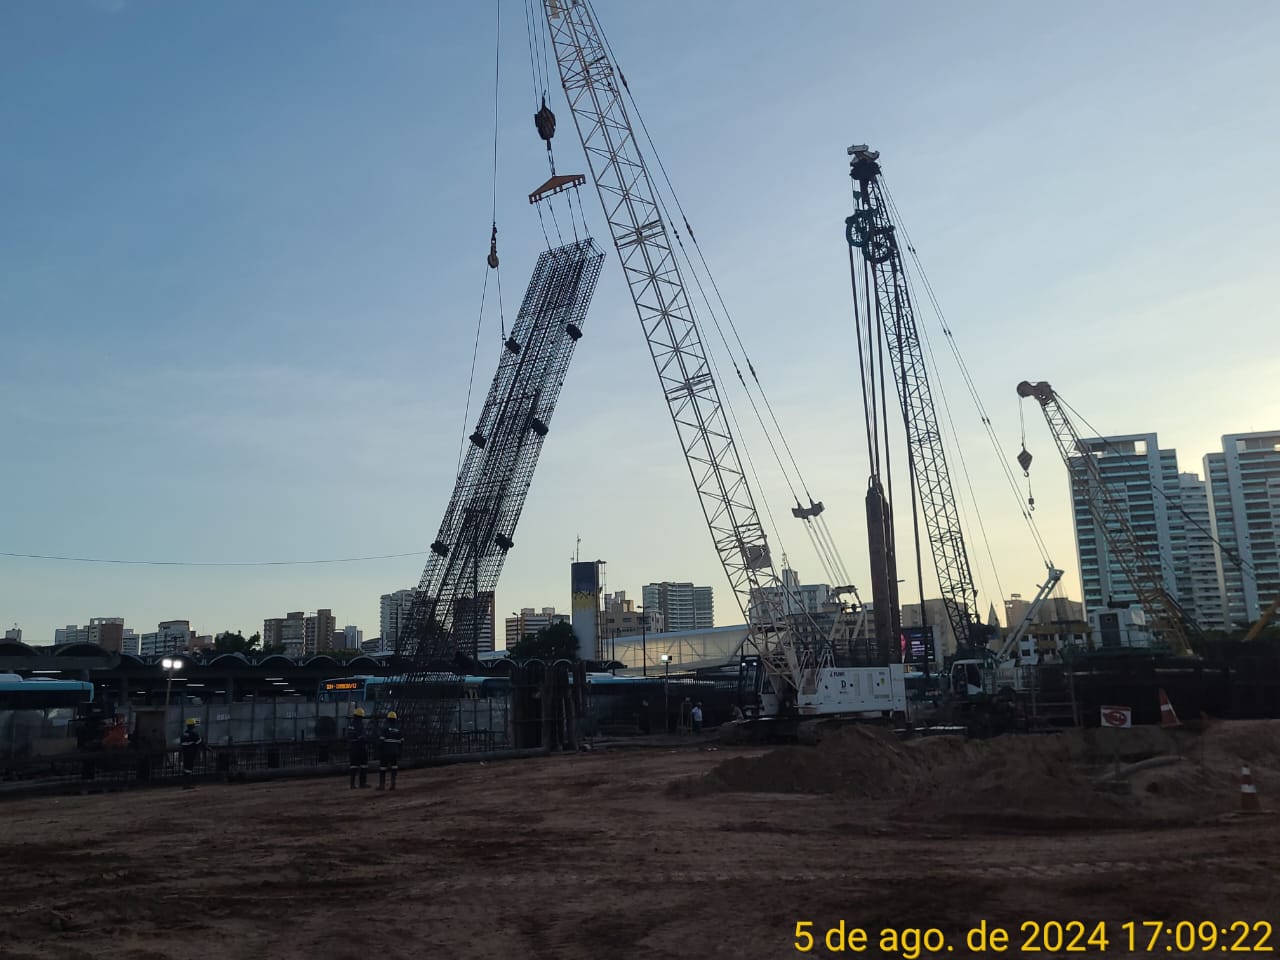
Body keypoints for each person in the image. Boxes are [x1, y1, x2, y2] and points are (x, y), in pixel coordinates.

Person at [377, 711, 403, 791]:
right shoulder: (398, 729)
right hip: (395, 751)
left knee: (383, 768)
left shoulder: (385, 728)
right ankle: (393, 784)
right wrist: (399, 751)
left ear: (387, 719)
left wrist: (379, 750)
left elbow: (381, 741)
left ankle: (382, 785)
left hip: (385, 751)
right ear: (395, 719)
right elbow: (402, 741)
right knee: (394, 767)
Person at [347, 707, 369, 789]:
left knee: (353, 766)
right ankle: (362, 783)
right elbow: (362, 737)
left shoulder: (351, 725)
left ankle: (352, 784)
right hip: (360, 748)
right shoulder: (360, 725)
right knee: (363, 765)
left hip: (352, 748)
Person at [180, 718, 203, 790]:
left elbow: (182, 743)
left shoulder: (184, 733)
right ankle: (187, 784)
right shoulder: (193, 733)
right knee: (189, 768)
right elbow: (199, 742)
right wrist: (206, 747)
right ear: (192, 725)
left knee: (186, 768)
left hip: (185, 752)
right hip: (191, 753)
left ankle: (185, 784)